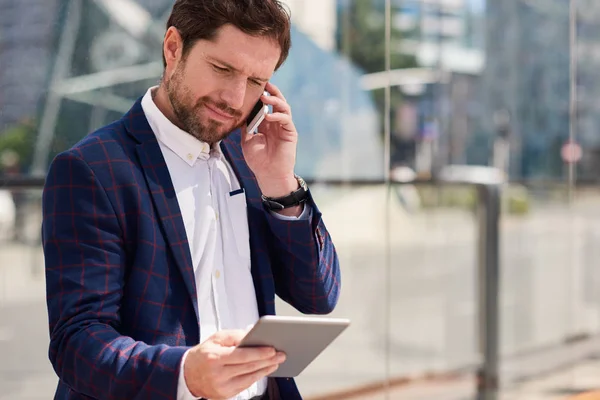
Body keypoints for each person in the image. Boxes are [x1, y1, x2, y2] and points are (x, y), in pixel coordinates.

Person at [40, 1, 341, 399]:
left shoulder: (254, 158)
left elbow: (318, 295)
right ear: (172, 48)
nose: (235, 99)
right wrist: (184, 375)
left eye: (255, 82)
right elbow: (77, 342)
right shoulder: (91, 169)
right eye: (223, 69)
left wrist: (281, 185)